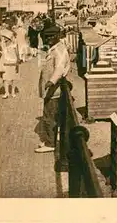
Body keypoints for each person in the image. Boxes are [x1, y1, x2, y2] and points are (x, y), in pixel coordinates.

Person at [35, 25, 71, 153]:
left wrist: (51, 81)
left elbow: (59, 68)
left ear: (57, 36)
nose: (49, 38)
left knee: (49, 116)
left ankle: (51, 143)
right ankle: (50, 139)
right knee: (49, 114)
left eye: (51, 36)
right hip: (50, 90)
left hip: (53, 89)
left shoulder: (59, 50)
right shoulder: (54, 48)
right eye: (47, 36)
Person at [0, 29, 20, 98]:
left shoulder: (14, 44)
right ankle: (6, 93)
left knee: (13, 78)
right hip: (5, 63)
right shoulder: (3, 44)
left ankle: (13, 92)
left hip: (13, 63)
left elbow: (17, 53)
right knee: (5, 78)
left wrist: (18, 62)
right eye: (3, 37)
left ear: (9, 38)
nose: (4, 39)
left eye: (5, 37)